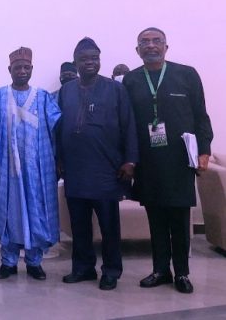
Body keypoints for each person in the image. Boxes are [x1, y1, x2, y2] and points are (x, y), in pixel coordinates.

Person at [122, 27, 213, 294]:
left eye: (156, 41)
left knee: (179, 220)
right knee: (156, 219)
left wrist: (204, 151)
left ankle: (182, 273)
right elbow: (126, 123)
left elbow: (201, 116)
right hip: (148, 162)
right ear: (137, 50)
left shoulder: (187, 75)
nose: (151, 46)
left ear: (166, 47)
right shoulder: (131, 80)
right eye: (144, 42)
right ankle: (161, 270)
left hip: (180, 160)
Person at [57, 37, 138, 291]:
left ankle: (111, 270)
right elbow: (58, 128)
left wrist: (130, 160)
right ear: (76, 63)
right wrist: (58, 159)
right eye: (84, 59)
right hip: (75, 170)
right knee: (79, 225)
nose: (90, 62)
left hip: (106, 170)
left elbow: (129, 125)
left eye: (94, 58)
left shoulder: (115, 89)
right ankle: (83, 268)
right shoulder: (66, 91)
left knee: (109, 226)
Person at [0, 47, 61, 281]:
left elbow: (57, 130)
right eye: (17, 67)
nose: (22, 71)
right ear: (9, 69)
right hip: (7, 169)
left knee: (35, 211)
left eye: (26, 67)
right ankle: (8, 262)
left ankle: (34, 262)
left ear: (31, 69)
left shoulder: (43, 97)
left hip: (36, 170)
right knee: (10, 212)